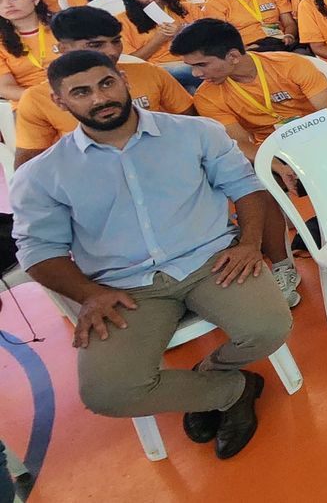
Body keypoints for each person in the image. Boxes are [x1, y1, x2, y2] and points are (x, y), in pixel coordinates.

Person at [10, 50, 291, 459]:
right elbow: (38, 250)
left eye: (106, 83)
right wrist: (89, 294)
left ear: (123, 81)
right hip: (122, 287)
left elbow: (245, 186)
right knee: (109, 392)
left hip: (210, 261)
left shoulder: (195, 133)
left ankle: (210, 373)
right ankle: (231, 390)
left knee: (269, 327)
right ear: (60, 101)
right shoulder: (42, 174)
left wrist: (249, 243)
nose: (100, 98)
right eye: (81, 92)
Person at [171, 19, 327, 236]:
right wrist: (277, 166)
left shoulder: (290, 64)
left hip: (320, 132)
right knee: (256, 193)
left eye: (202, 65)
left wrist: (313, 159)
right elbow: (241, 143)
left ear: (233, 56)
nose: (195, 74)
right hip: (270, 148)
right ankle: (288, 249)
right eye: (191, 66)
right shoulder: (206, 96)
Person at [13, 5, 193, 167]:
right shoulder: (38, 98)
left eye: (116, 41)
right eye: (96, 45)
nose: (112, 51)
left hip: (162, 165)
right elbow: (28, 169)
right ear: (63, 49)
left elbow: (191, 125)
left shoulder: (149, 72)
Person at [116, 0, 200, 89]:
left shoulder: (187, 8)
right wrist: (158, 40)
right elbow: (129, 62)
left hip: (194, 61)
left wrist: (182, 31)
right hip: (157, 69)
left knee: (193, 86)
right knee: (191, 71)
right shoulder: (122, 21)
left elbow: (212, 38)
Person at [0, 0, 56, 100]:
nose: (7, 5)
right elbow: (5, 88)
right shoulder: (1, 42)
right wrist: (45, 97)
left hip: (75, 92)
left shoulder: (62, 26)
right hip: (30, 100)